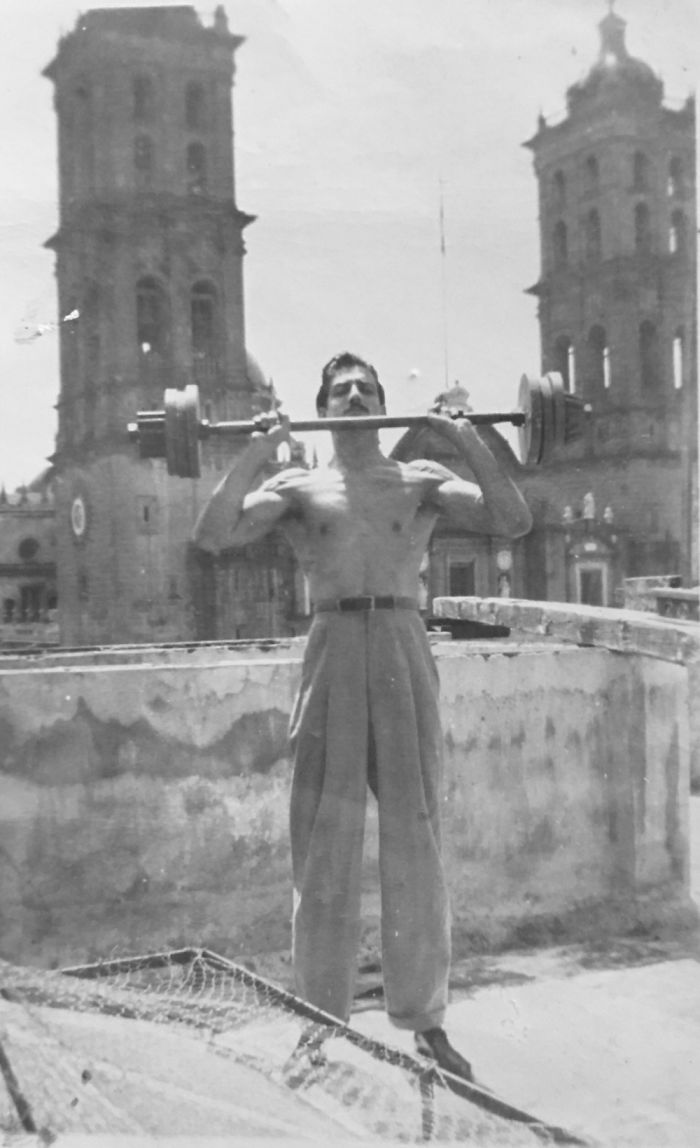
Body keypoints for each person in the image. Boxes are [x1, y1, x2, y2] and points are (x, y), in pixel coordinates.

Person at [193, 351, 532, 1080]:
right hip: (333, 645)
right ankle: (318, 1025)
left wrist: (467, 437)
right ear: (323, 403)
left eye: (366, 389)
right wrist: (255, 449)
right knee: (324, 845)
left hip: (404, 646)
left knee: (417, 836)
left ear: (382, 403)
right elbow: (214, 534)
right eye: (340, 390)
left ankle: (426, 1020)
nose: (353, 396)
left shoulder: (421, 479)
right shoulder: (297, 485)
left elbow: (513, 519)